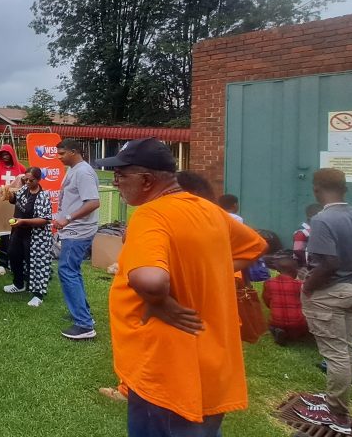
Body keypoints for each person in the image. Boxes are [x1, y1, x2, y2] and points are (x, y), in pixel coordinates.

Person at [97, 137, 266, 436]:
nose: (116, 182)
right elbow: (254, 247)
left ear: (146, 180)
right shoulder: (210, 211)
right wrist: (208, 273)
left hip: (165, 372)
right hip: (210, 365)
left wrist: (161, 302)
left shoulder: (151, 214)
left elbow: (151, 280)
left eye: (121, 175)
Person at [292, 169, 352, 434]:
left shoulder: (322, 219)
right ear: (345, 188)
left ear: (316, 189)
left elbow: (329, 263)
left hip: (330, 292)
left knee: (336, 353)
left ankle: (336, 414)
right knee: (346, 349)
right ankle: (334, 400)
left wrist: (308, 287)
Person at [53, 139, 100, 340]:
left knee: (67, 271)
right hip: (72, 229)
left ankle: (84, 324)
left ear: (74, 151)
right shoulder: (74, 169)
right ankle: (83, 313)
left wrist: (68, 218)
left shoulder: (83, 172)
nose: (59, 157)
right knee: (72, 270)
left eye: (62, 153)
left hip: (78, 231)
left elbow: (94, 202)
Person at [4, 167, 55, 308]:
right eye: (25, 179)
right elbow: (14, 199)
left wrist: (23, 221)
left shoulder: (43, 196)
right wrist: (8, 194)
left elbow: (44, 220)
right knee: (13, 255)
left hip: (35, 236)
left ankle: (38, 294)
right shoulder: (24, 190)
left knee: (35, 263)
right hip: (19, 232)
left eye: (30, 180)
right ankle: (19, 284)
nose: (27, 182)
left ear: (38, 180)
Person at [0, 144, 26, 275]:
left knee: (16, 235)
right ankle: (2, 263)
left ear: (11, 155)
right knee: (4, 234)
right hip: (2, 204)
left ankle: (16, 263)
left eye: (7, 154)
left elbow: (27, 182)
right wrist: (2, 186)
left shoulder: (20, 168)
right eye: (2, 154)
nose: (5, 157)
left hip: (17, 205)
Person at [263, 250, 309, 346]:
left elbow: (267, 301)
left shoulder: (269, 283)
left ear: (277, 270)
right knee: (302, 326)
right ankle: (295, 334)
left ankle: (278, 331)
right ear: (295, 270)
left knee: (273, 324)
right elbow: (308, 302)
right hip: (298, 323)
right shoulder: (300, 285)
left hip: (277, 321)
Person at [293, 203, 324, 268]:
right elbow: (298, 250)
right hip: (306, 266)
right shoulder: (302, 231)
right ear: (311, 216)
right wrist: (307, 265)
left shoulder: (317, 228)